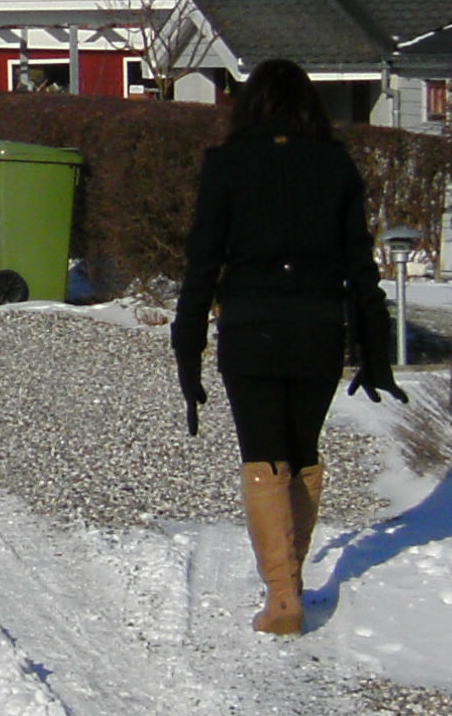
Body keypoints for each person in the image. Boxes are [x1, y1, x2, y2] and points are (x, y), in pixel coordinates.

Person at [170, 58, 403, 634]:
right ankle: (289, 584)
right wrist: (375, 350)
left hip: (251, 325)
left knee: (263, 455)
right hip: (317, 326)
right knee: (302, 452)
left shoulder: (227, 165)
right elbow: (361, 266)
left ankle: (282, 595)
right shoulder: (336, 165)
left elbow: (203, 263)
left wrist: (188, 348)